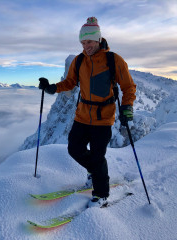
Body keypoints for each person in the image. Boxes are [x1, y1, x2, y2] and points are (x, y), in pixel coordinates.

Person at [39, 17, 136, 207]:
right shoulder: (79, 60)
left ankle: (101, 194)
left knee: (98, 156)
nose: (86, 46)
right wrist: (51, 88)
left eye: (89, 42)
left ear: (98, 39)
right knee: (74, 149)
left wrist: (127, 108)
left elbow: (128, 87)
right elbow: (69, 83)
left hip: (103, 118)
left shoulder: (113, 60)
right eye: (83, 42)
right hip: (82, 115)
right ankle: (96, 172)